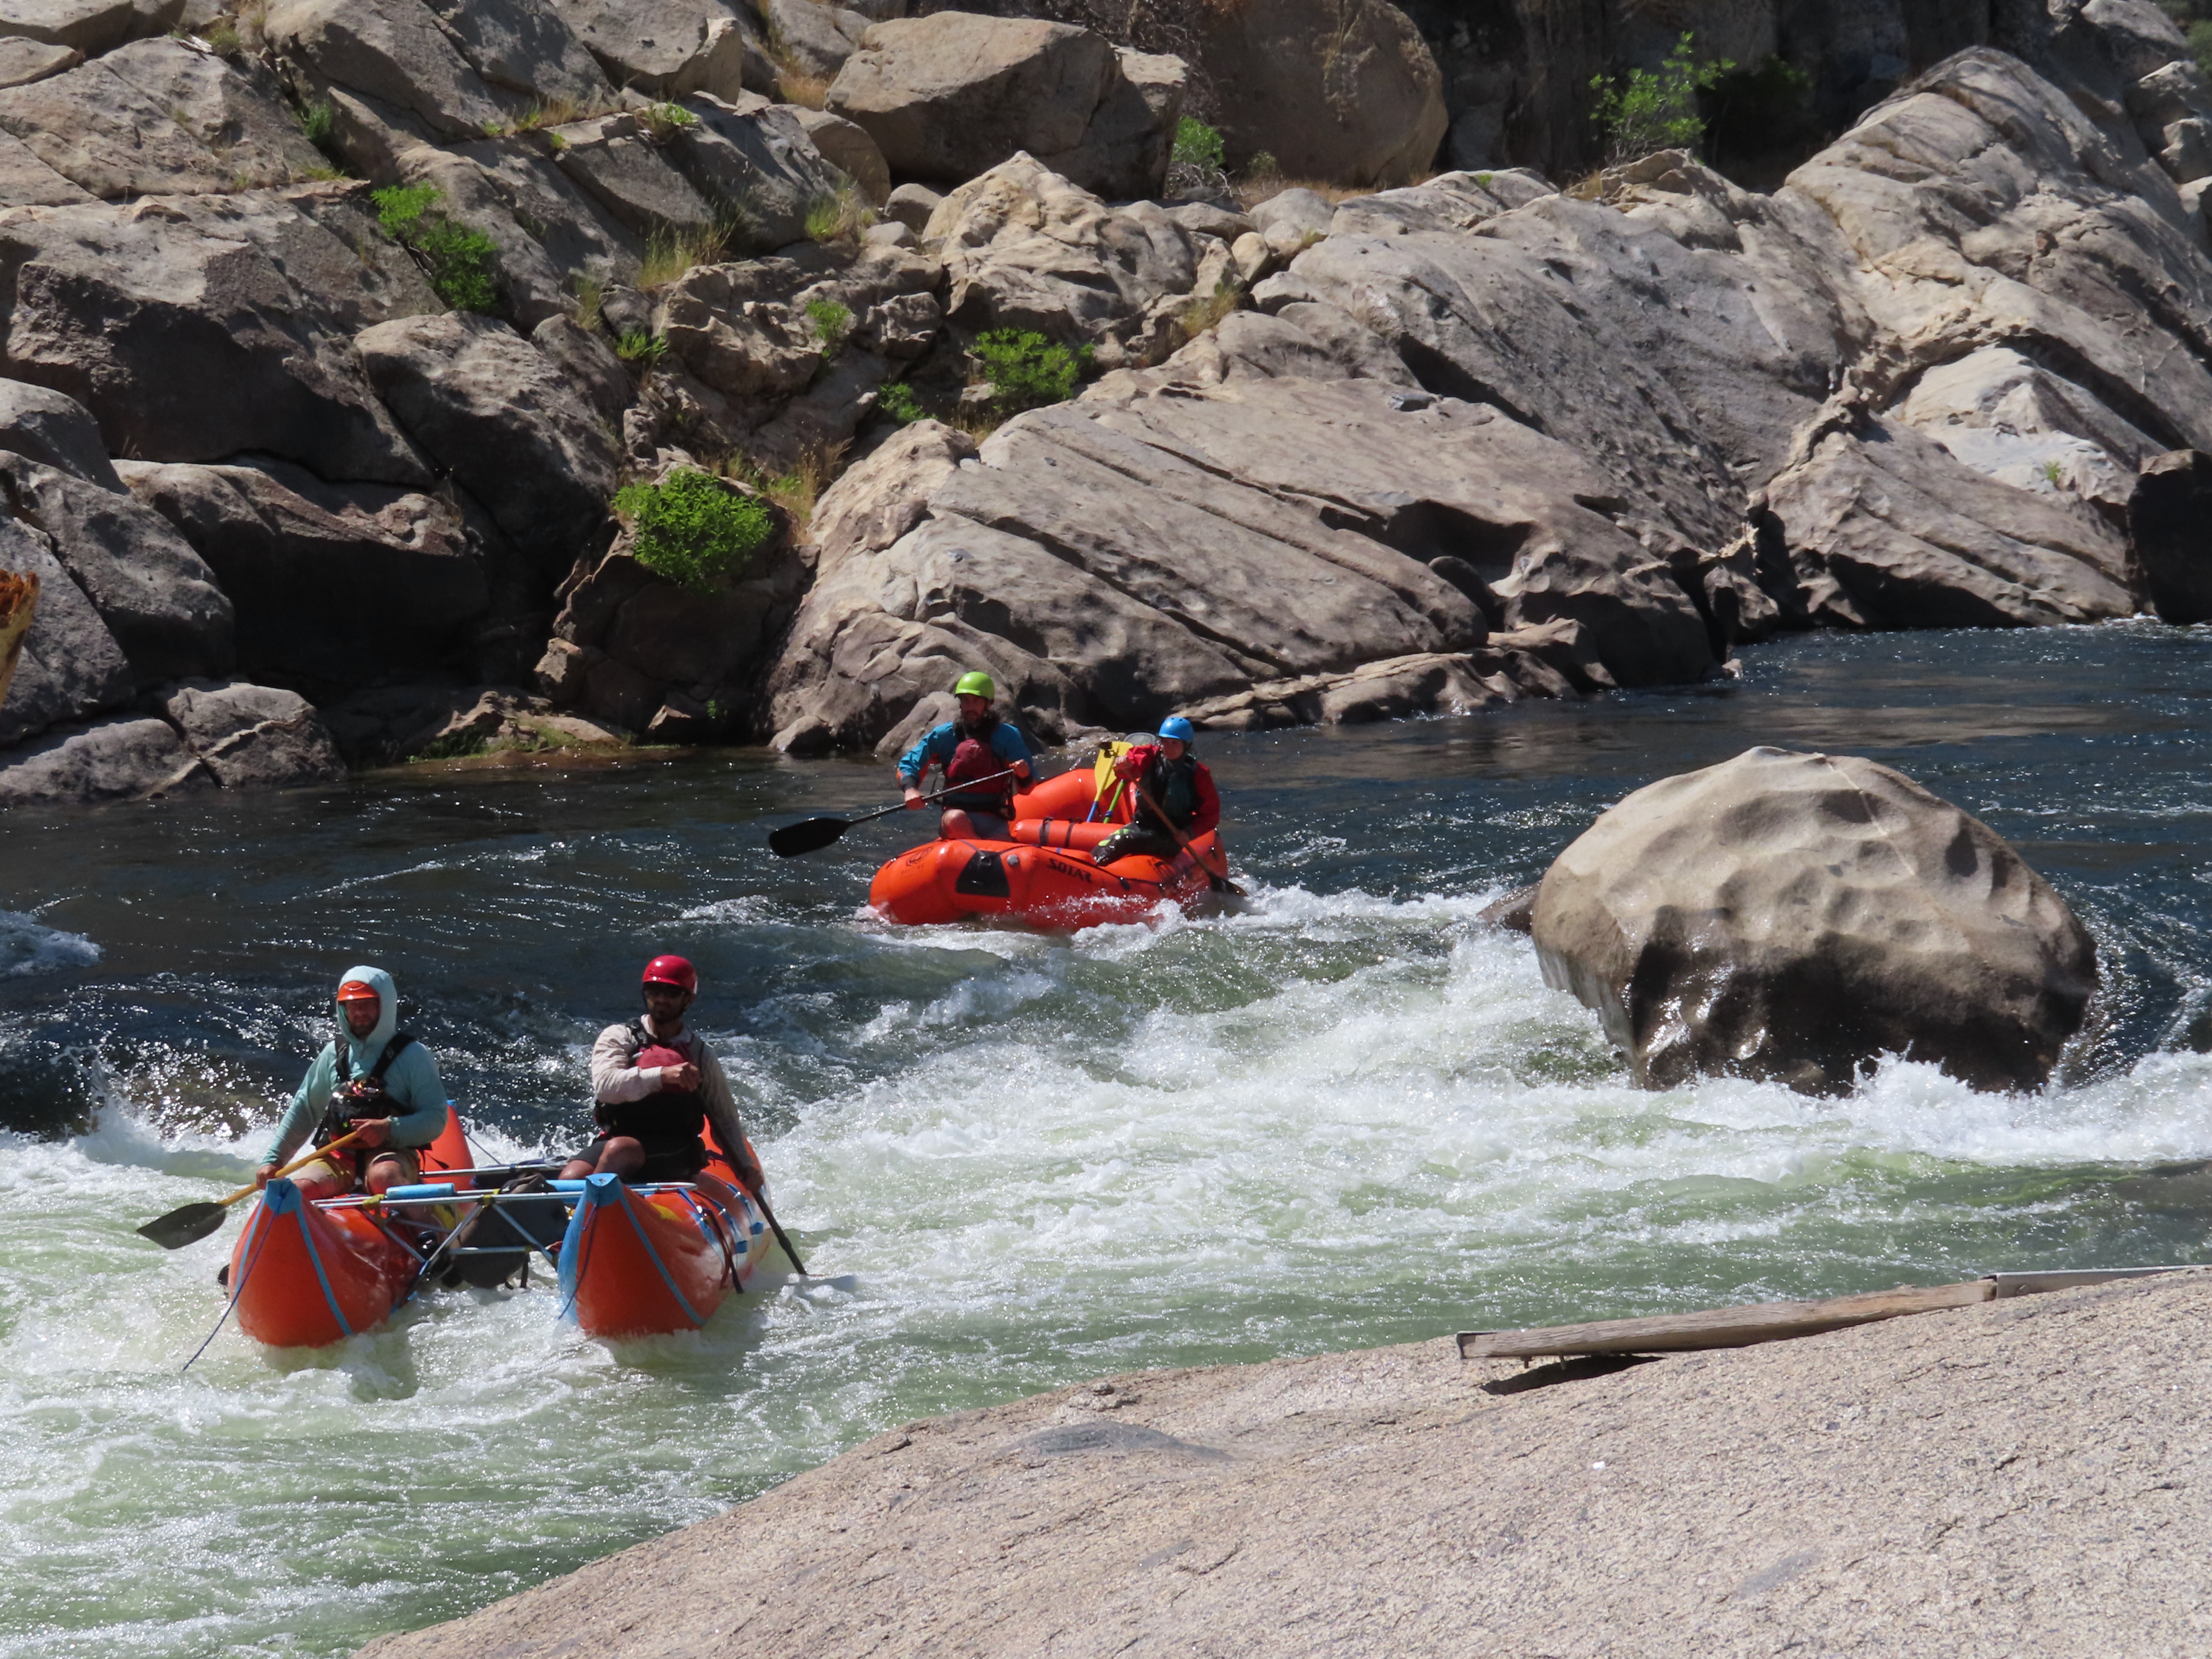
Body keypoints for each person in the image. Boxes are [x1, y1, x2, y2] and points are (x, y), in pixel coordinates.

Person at [561, 955, 764, 1191]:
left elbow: (724, 1117)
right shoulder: (620, 1037)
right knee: (570, 1179)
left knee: (621, 1150)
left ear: (688, 999)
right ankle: (571, 1217)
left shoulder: (700, 1054)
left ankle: (592, 1213)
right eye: (654, 991)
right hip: (620, 1137)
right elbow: (607, 1089)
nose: (661, 999)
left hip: (675, 1151)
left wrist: (744, 1166)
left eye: (671, 993)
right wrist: (661, 1076)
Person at [256, 966, 450, 1202]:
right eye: (352, 1005)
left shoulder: (414, 1056)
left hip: (392, 1155)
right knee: (296, 1192)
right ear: (343, 1009)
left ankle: (431, 1231)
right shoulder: (333, 1054)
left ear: (385, 1005)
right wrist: (274, 1161)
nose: (359, 1012)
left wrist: (389, 1128)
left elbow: (436, 1118)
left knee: (384, 1177)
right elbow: (305, 1109)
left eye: (367, 1004)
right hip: (338, 1158)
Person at [897, 670, 1033, 841]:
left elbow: (1027, 789)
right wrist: (910, 790)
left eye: (976, 701)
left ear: (988, 704)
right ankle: (984, 855)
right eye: (965, 701)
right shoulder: (945, 735)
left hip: (994, 819)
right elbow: (910, 763)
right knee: (956, 819)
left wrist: (1024, 775)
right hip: (954, 819)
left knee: (1005, 849)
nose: (970, 707)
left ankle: (983, 853)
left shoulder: (1008, 737)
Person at [1093, 716, 1221, 866]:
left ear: (1186, 746)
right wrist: (1125, 764)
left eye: (1175, 743)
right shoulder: (1150, 756)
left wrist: (1189, 833)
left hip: (1171, 835)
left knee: (1126, 840)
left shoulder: (1199, 775)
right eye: (1165, 742)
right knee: (1106, 845)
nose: (1168, 747)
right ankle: (1089, 871)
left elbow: (1211, 815)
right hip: (1142, 825)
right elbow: (1130, 766)